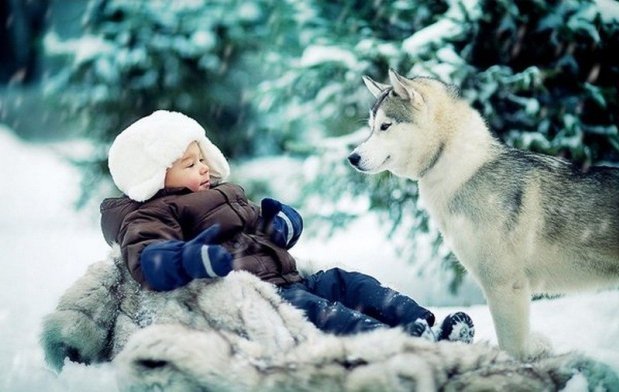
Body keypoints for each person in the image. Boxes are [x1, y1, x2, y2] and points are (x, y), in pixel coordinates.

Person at [100, 110, 475, 343]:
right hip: (260, 296)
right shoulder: (149, 214)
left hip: (289, 278)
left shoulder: (222, 192)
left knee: (348, 282)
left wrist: (282, 224)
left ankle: (423, 325)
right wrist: (192, 259)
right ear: (155, 175)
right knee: (320, 312)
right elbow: (148, 258)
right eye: (188, 163)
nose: (202, 168)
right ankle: (393, 344)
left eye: (201, 158)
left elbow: (257, 227)